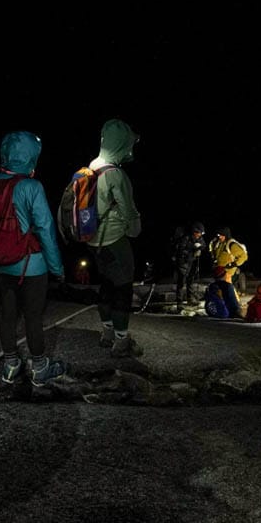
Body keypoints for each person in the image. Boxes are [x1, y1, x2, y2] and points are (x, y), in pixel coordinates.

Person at [0, 131, 68, 387]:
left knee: (8, 313)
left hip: (2, 262)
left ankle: (11, 365)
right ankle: (40, 367)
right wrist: (57, 267)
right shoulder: (31, 186)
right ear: (31, 158)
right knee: (33, 316)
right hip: (31, 265)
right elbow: (45, 229)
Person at [87, 118, 144, 358]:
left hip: (92, 241)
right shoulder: (115, 174)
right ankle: (121, 342)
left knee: (106, 286)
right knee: (122, 289)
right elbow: (129, 211)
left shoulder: (90, 168)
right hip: (114, 240)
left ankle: (107, 332)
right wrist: (133, 230)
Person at [172, 221, 207, 307]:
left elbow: (204, 245)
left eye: (201, 234)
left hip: (192, 263)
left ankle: (190, 299)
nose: (200, 235)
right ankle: (179, 302)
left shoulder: (199, 238)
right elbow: (181, 251)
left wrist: (199, 248)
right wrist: (193, 249)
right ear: (194, 232)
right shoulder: (186, 238)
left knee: (190, 281)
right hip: (183, 263)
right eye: (198, 233)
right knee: (181, 283)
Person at [209, 226, 248, 296]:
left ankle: (234, 304)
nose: (220, 237)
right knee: (222, 290)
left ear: (226, 235)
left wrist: (234, 264)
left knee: (229, 290)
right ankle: (224, 304)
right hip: (220, 271)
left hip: (228, 272)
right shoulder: (220, 243)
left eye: (222, 235)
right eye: (219, 235)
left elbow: (244, 256)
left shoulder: (231, 244)